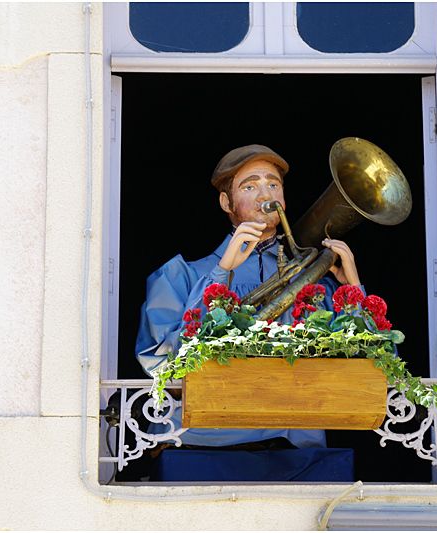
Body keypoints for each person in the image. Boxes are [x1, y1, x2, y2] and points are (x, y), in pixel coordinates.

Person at [134, 144, 362, 450]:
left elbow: (364, 370)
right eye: (250, 185)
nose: (265, 195)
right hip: (199, 446)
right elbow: (161, 367)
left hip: (296, 448)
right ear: (226, 202)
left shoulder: (314, 282)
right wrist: (222, 270)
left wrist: (353, 290)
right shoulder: (180, 277)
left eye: (273, 184)